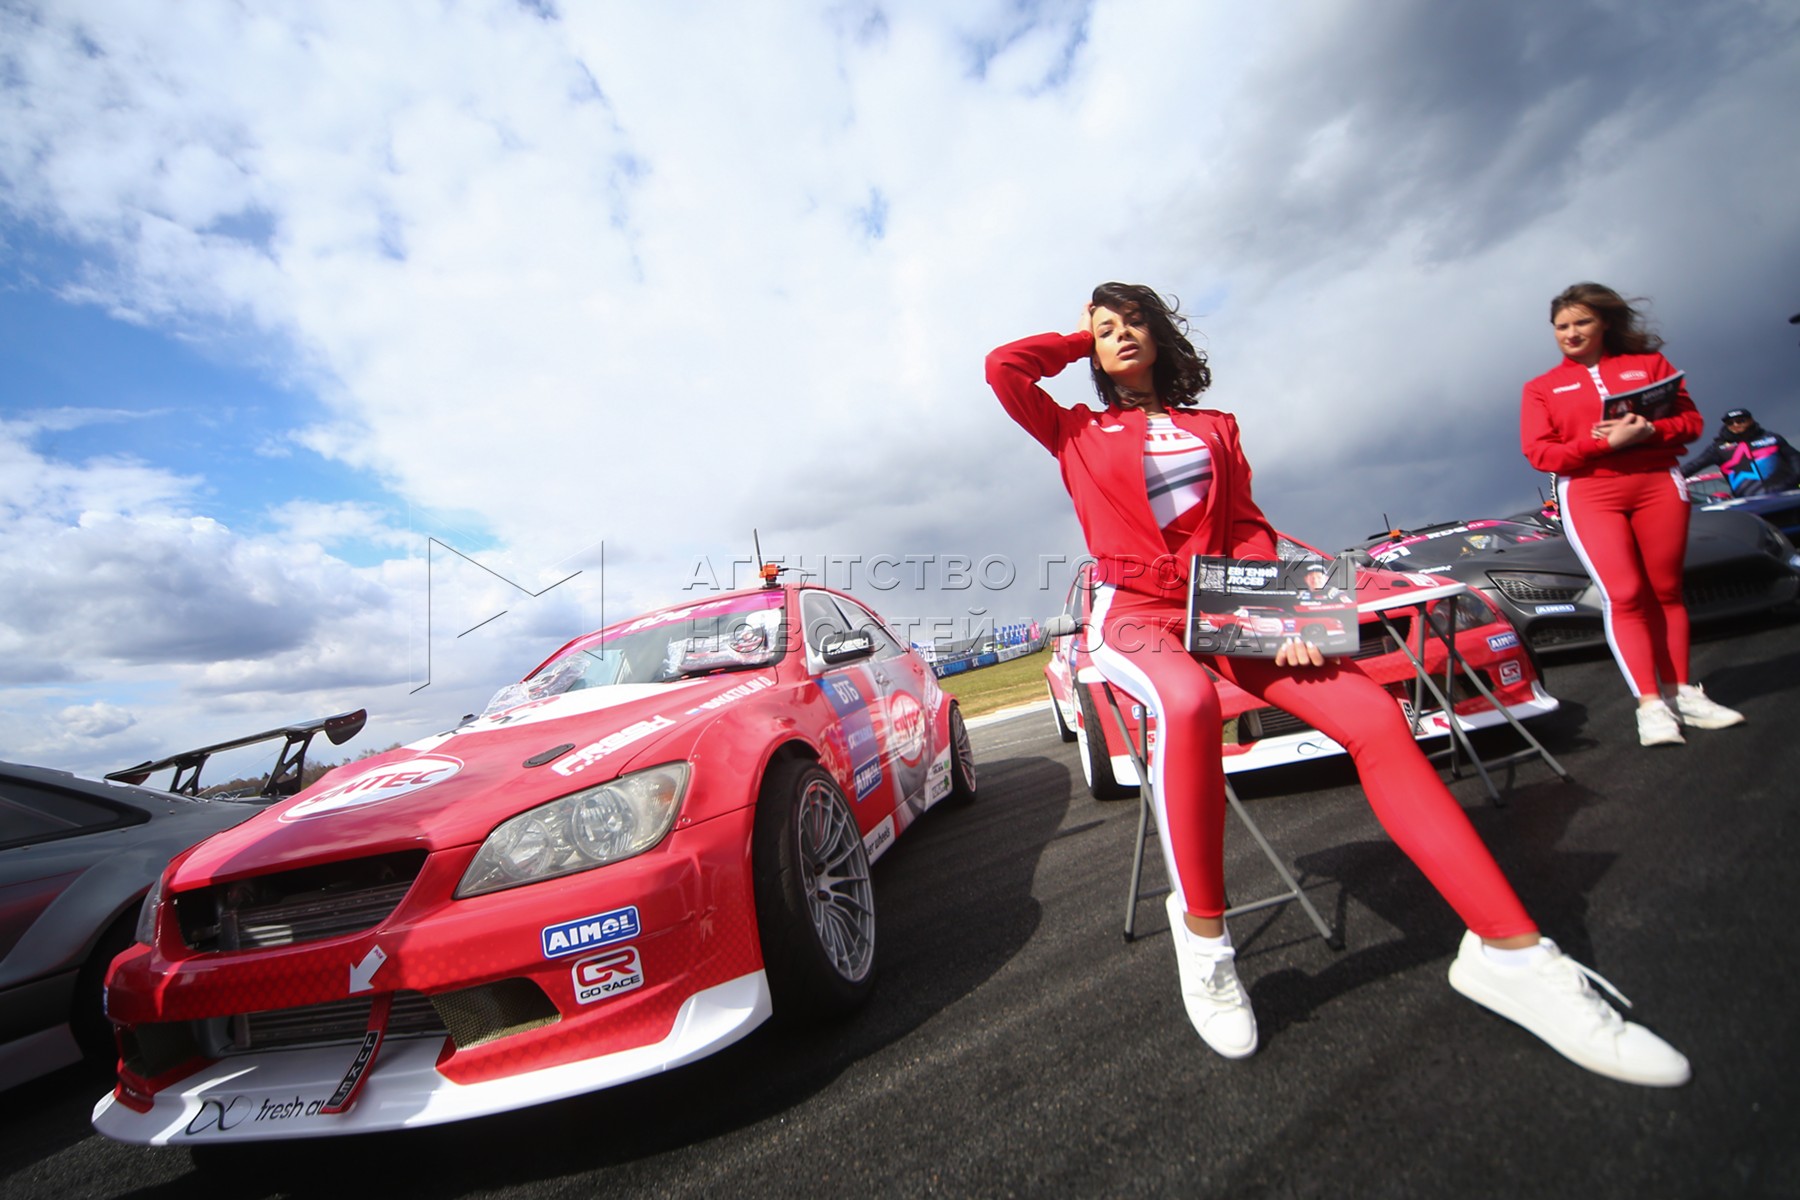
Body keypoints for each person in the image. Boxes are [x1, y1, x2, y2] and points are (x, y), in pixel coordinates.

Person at [987, 282, 1690, 1087]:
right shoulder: (1074, 427)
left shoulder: (1214, 426)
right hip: (1134, 608)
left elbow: (1246, 529)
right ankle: (1206, 939)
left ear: (1160, 333)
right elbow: (1004, 369)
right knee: (1185, 704)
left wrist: (1288, 619)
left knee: (1372, 714)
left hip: (1226, 598)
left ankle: (1511, 953)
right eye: (1105, 329)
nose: (1120, 336)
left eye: (1132, 322)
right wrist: (1079, 338)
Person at [1520, 282, 1746, 746]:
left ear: (1605, 322)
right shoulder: (1541, 387)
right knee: (1622, 594)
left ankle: (1685, 693)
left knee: (1665, 590)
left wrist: (1649, 431)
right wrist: (1602, 444)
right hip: (1589, 493)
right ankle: (1651, 706)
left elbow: (1691, 423)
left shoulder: (1650, 367)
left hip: (1658, 483)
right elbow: (1540, 452)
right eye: (1561, 326)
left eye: (1582, 322)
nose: (1571, 333)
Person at [1680, 408, 1800, 496]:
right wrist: (1669, 479)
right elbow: (1693, 466)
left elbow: (1795, 459)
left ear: (1750, 420)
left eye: (1740, 420)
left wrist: (1793, 481)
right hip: (1752, 503)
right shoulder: (1718, 448)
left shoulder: (1772, 438)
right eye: (1730, 423)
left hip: (1787, 495)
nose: (1735, 425)